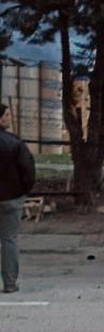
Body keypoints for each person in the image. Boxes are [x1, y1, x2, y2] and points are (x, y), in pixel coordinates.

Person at [0, 103, 35, 293]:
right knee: (9, 240)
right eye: (6, 115)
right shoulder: (15, 143)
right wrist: (23, 190)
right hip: (11, 198)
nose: (8, 118)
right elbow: (28, 170)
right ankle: (10, 283)